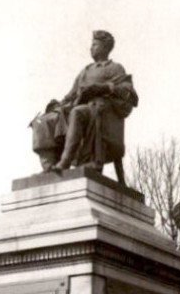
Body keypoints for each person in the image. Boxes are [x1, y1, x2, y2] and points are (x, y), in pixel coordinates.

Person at [29, 31, 138, 181]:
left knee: (77, 113)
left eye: (95, 45)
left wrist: (103, 87)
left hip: (98, 112)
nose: (91, 48)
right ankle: (49, 167)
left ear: (105, 47)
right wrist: (57, 104)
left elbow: (128, 93)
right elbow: (71, 95)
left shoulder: (115, 68)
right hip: (77, 107)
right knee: (43, 121)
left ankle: (65, 162)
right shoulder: (86, 71)